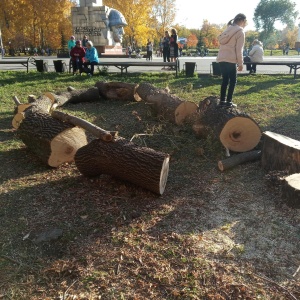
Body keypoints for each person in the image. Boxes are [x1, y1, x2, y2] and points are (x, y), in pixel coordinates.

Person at [216, 13, 247, 108]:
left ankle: (222, 101)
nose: (245, 24)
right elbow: (239, 49)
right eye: (245, 22)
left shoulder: (227, 30)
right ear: (242, 21)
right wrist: (241, 63)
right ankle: (228, 102)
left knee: (225, 80)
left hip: (221, 58)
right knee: (233, 81)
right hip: (231, 59)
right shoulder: (240, 32)